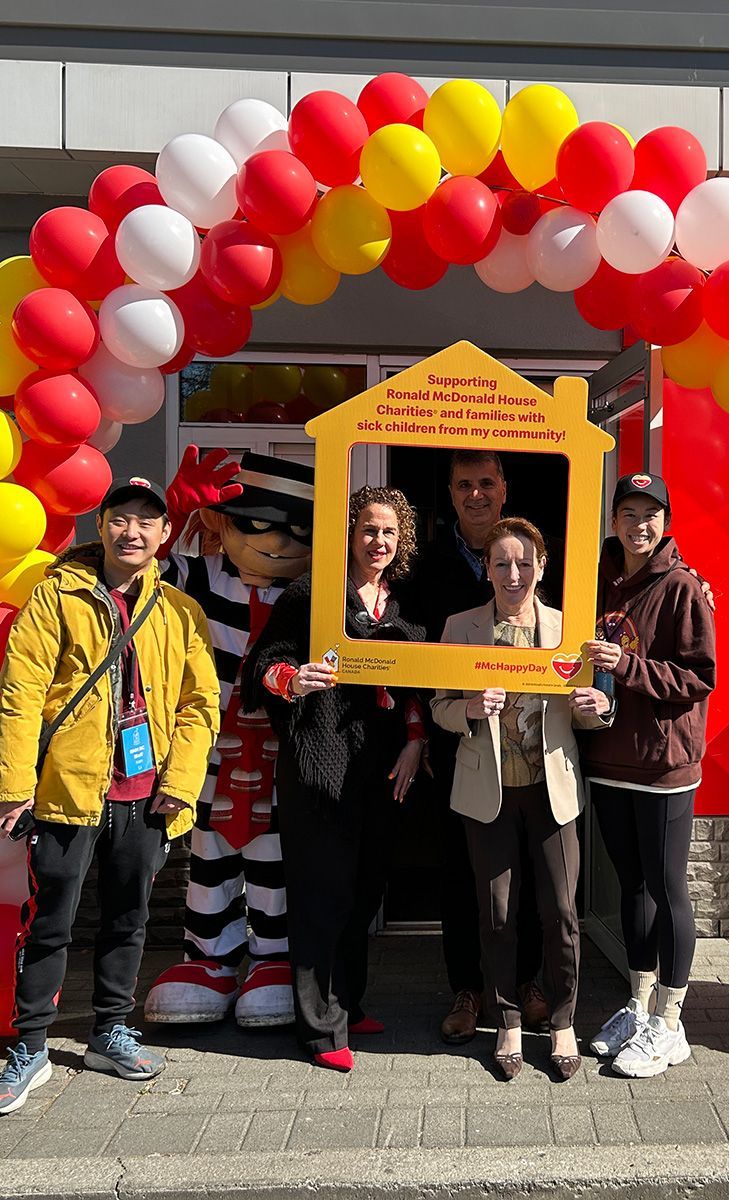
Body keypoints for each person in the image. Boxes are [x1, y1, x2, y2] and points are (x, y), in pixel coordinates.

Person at [0, 477, 220, 1116]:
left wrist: (181, 781)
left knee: (130, 916)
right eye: (120, 519)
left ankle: (111, 1030)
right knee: (52, 920)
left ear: (165, 535)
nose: (132, 532)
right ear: (102, 526)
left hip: (146, 795)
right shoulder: (56, 597)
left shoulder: (179, 612)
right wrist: (12, 785)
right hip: (65, 792)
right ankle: (29, 1048)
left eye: (146, 522)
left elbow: (199, 705)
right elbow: (21, 691)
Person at [240, 486, 427, 1072]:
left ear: (403, 542)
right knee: (323, 896)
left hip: (383, 770)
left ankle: (348, 1002)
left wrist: (418, 740)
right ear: (349, 534)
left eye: (389, 532)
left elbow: (418, 687)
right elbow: (258, 671)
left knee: (364, 892)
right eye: (369, 529)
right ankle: (320, 1030)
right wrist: (293, 681)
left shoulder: (405, 608)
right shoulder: (310, 594)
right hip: (319, 766)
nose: (378, 541)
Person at [431, 517, 611, 1081]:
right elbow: (439, 705)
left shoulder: (567, 628)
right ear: (486, 567)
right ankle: (507, 1019)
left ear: (542, 567)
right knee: (497, 914)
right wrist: (466, 710)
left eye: (524, 562)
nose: (514, 573)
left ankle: (561, 1024)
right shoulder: (460, 627)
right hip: (488, 792)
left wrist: (594, 708)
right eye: (502, 562)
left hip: (552, 789)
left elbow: (592, 710)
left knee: (560, 911)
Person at [145, 448, 315, 1029]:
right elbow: (136, 581)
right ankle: (209, 959)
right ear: (223, 522)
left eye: (300, 530)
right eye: (256, 524)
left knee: (276, 856)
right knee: (209, 849)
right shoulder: (198, 577)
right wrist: (166, 517)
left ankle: (272, 958)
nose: (279, 543)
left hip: (279, 749)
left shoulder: (315, 597)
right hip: (210, 745)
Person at [401, 450, 551, 1044]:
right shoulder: (425, 566)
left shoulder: (534, 559)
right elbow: (410, 657)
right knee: (461, 875)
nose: (476, 494)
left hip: (530, 748)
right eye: (465, 484)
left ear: (504, 488)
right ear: (452, 491)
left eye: (486, 482)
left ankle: (529, 983)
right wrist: (421, 732)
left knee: (534, 875)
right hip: (457, 741)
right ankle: (466, 988)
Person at [582, 472, 716, 1080]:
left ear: (665, 521)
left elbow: (698, 678)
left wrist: (629, 667)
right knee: (631, 886)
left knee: (667, 891)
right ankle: (637, 1008)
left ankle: (670, 1023)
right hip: (610, 760)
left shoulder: (684, 588)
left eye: (650, 514)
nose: (640, 525)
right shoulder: (601, 583)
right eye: (629, 513)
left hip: (664, 766)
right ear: (613, 521)